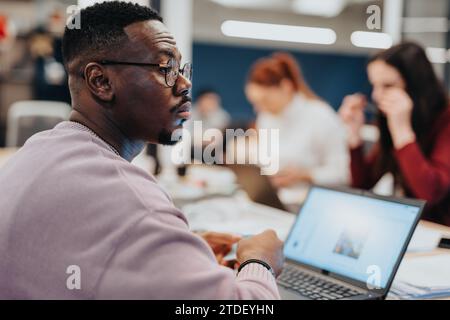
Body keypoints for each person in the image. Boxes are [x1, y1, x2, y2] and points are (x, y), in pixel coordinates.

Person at [0, 2, 284, 299]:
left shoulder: (34, 153)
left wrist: (168, 250)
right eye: (165, 68)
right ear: (101, 81)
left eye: (182, 69)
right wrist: (259, 261)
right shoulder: (131, 200)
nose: (185, 84)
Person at [339, 42, 450, 226]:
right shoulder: (392, 121)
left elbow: (430, 193)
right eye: (374, 85)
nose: (377, 95)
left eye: (388, 85)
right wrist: (354, 135)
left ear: (416, 85)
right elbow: (362, 185)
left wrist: (402, 131)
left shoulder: (444, 119)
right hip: (418, 230)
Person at [245, 52, 349, 188]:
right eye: (255, 102)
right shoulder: (266, 117)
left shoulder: (321, 116)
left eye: (265, 100)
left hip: (306, 199)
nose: (258, 109)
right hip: (275, 197)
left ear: (286, 87)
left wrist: (305, 175)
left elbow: (343, 174)